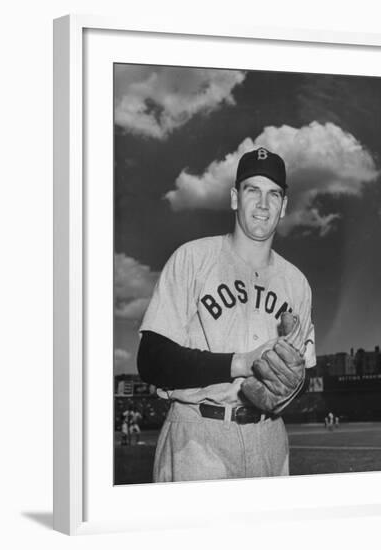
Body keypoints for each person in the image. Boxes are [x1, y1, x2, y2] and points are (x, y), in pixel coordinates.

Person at [137, 147, 316, 482]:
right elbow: (152, 359)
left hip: (270, 439)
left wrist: (291, 387)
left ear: (284, 206)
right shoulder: (192, 258)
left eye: (273, 194)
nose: (263, 205)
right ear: (235, 198)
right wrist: (242, 362)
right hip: (197, 438)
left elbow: (302, 372)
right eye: (253, 190)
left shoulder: (297, 283)